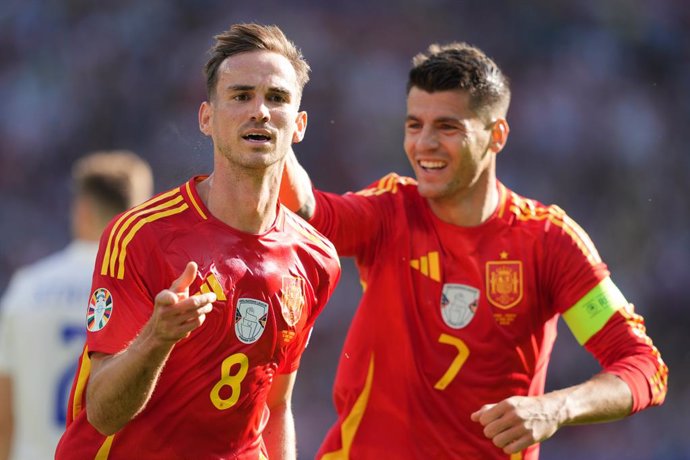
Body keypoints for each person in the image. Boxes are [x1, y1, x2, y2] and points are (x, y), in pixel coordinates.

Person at [280, 42, 668, 459]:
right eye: (414, 125)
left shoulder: (550, 242)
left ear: (496, 135)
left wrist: (555, 407)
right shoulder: (390, 211)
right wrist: (271, 127)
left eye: (448, 127)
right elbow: (307, 210)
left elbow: (644, 367)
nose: (424, 144)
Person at [54, 23, 340, 460]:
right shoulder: (142, 235)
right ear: (207, 118)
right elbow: (103, 413)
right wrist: (157, 337)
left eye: (276, 98)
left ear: (298, 125)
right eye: (241, 96)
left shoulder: (316, 258)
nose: (260, 111)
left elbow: (275, 404)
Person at [0, 150, 153, 460]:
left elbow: (4, 411)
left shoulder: (26, 288)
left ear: (82, 211)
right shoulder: (148, 294)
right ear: (140, 215)